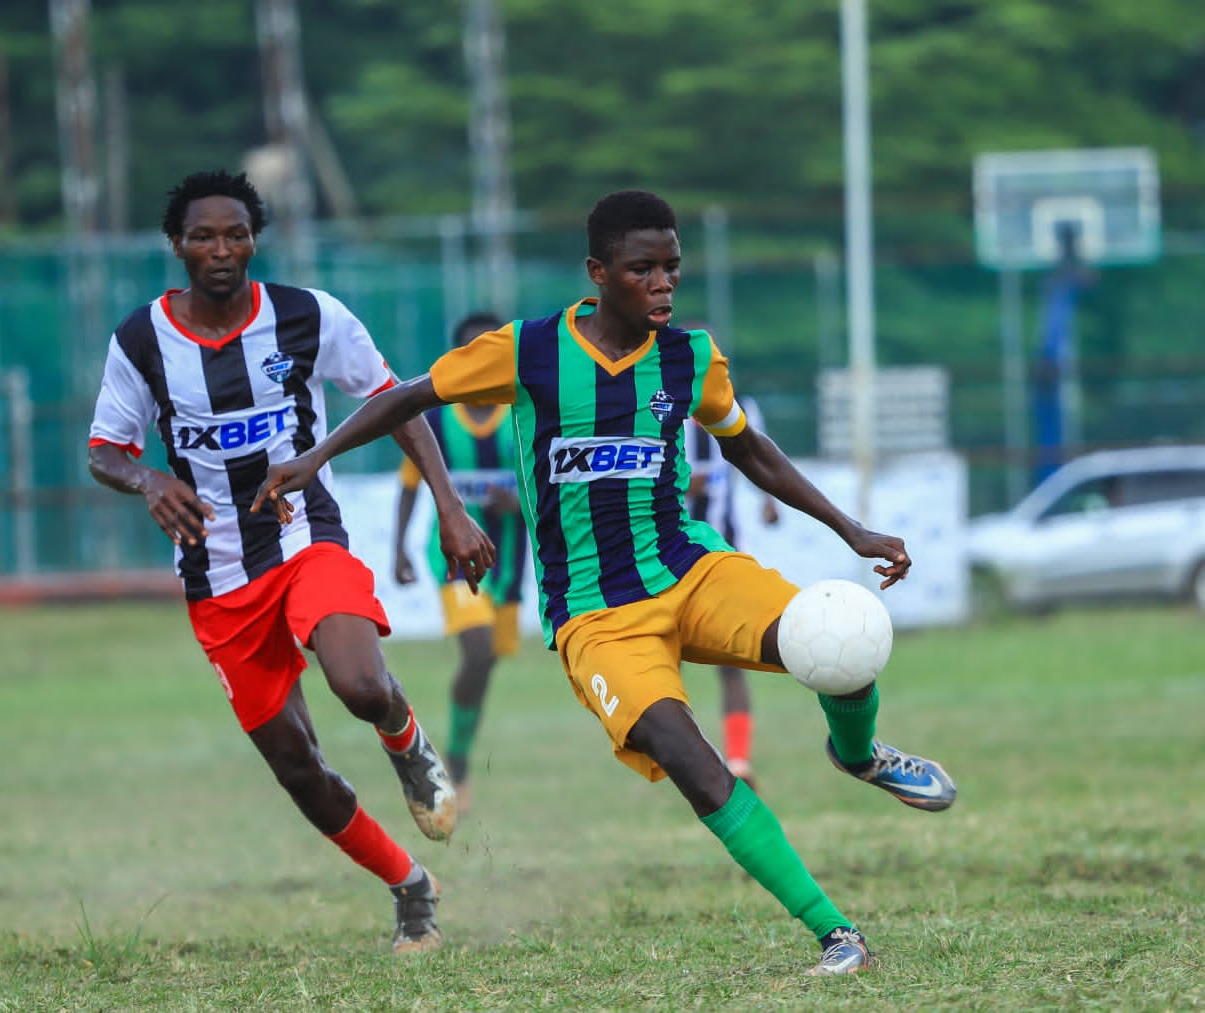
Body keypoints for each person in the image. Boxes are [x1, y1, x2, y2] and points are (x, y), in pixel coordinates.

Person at [251, 189, 957, 977]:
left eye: (673, 268)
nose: (663, 284)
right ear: (598, 272)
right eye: (643, 269)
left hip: (690, 569)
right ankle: (837, 932)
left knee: (841, 629)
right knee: (695, 766)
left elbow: (747, 448)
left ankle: (857, 753)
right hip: (595, 613)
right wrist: (316, 458)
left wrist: (850, 530)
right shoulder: (529, 350)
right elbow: (406, 396)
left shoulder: (692, 356)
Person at [86, 169, 495, 954]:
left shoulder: (309, 316)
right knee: (296, 765)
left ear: (255, 240)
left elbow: (397, 400)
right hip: (216, 575)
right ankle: (410, 884)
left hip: (306, 534)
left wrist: (449, 505)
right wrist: (148, 477)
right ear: (177, 245)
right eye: (202, 236)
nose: (220, 249)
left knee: (359, 682)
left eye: (236, 233)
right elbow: (105, 449)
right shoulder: (142, 340)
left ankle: (406, 739)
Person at [392, 311, 530, 814]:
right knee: (477, 651)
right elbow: (410, 485)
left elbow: (550, 483)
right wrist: (400, 549)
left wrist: (521, 505)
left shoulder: (523, 416)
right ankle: (456, 762)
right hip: (453, 559)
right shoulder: (434, 420)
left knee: (488, 658)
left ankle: (460, 751)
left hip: (510, 561)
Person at [680, 331, 780, 791]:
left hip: (722, 550)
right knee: (662, 662)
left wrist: (767, 499)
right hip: (667, 554)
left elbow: (755, 454)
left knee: (731, 657)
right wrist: (680, 489)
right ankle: (689, 762)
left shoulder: (740, 407)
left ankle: (738, 761)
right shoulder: (661, 412)